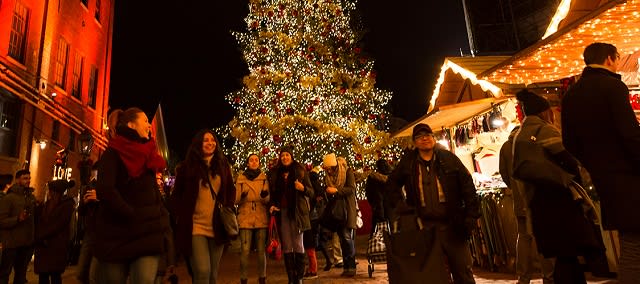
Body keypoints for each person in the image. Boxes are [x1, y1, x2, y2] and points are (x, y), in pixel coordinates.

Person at [561, 42, 640, 283]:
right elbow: (630, 134)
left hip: (605, 181)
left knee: (630, 243)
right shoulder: (613, 87)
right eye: (617, 58)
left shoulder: (571, 95)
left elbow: (569, 142)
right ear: (609, 59)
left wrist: (595, 164)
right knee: (635, 246)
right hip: (631, 178)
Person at [513, 89, 602, 283]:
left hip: (538, 201)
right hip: (558, 199)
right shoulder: (544, 129)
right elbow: (567, 158)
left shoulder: (520, 135)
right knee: (569, 253)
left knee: (562, 255)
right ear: (544, 111)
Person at [386, 123, 479, 283]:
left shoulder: (448, 159)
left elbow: (468, 187)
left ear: (433, 138)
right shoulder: (409, 163)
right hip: (425, 228)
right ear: (414, 142)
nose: (424, 139)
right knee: (434, 275)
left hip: (453, 226)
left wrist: (471, 216)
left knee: (463, 272)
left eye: (428, 135)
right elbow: (392, 183)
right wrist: (402, 207)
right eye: (419, 137)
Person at [94, 107, 170, 284]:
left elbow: (153, 195)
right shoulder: (112, 153)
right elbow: (105, 188)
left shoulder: (150, 155)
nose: (148, 124)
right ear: (130, 124)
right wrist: (130, 212)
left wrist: (161, 219)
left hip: (146, 235)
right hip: (117, 235)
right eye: (144, 120)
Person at [169, 129, 236, 284]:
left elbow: (231, 189)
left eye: (212, 140)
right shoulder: (187, 167)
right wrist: (180, 215)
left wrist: (229, 205)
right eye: (205, 140)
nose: (210, 143)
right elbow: (176, 196)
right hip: (195, 226)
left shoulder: (222, 165)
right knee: (202, 271)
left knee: (212, 274)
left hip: (217, 225)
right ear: (198, 144)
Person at [499, 125, 555, 284]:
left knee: (523, 238)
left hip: (519, 201)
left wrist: (515, 191)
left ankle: (523, 278)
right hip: (536, 198)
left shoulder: (505, 147)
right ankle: (548, 276)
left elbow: (503, 173)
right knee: (542, 236)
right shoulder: (531, 141)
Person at [268, 146, 313, 284]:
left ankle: (299, 277)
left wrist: (303, 188)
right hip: (283, 213)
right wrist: (272, 205)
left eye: (287, 155)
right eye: (282, 156)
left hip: (297, 213)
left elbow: (312, 192)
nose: (285, 158)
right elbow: (274, 193)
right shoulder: (276, 173)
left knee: (298, 244)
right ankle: (291, 278)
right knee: (287, 246)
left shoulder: (300, 171)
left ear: (292, 157)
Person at [235, 153, 270, 284]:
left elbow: (267, 199)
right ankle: (243, 279)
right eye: (251, 160)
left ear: (259, 163)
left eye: (256, 160)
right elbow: (236, 199)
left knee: (261, 251)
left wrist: (264, 196)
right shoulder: (241, 179)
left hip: (260, 215)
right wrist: (242, 197)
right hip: (245, 216)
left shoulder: (264, 178)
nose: (254, 162)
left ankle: (262, 278)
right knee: (245, 251)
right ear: (248, 163)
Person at [321, 153, 358, 277]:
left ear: (334, 165)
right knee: (342, 239)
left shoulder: (347, 172)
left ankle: (351, 266)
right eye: (326, 169)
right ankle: (346, 267)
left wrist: (336, 191)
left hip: (347, 210)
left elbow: (351, 189)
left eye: (330, 168)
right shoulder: (328, 176)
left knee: (347, 239)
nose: (328, 171)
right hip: (337, 213)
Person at [33, 179, 76, 284]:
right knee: (43, 276)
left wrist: (41, 235)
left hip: (56, 245)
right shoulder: (47, 204)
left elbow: (59, 224)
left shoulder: (67, 205)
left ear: (55, 191)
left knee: (55, 275)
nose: (48, 192)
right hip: (43, 246)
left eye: (50, 190)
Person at [0, 169, 36, 284]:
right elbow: (2, 221)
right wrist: (17, 219)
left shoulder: (31, 197)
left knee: (21, 275)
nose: (28, 181)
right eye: (25, 178)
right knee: (5, 274)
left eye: (29, 178)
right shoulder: (9, 198)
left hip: (26, 244)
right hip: (11, 243)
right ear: (17, 180)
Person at [76, 164, 99, 284]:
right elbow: (81, 212)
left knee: (94, 275)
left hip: (103, 235)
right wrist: (84, 203)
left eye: (97, 176)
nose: (94, 179)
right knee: (81, 272)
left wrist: (99, 198)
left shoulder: (109, 189)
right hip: (89, 233)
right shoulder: (88, 188)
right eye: (92, 176)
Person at [365, 158, 393, 236]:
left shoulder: (373, 178)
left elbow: (368, 193)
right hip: (391, 209)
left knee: (377, 232)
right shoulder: (392, 177)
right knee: (392, 232)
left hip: (378, 209)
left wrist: (373, 204)